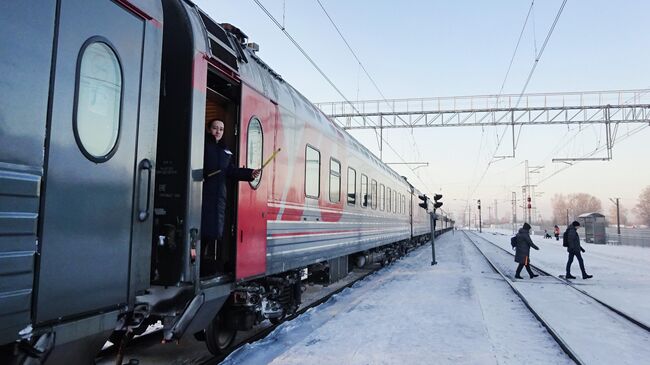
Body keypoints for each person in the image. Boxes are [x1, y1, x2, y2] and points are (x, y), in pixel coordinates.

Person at [201, 119, 260, 275]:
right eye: (215, 128)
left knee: (213, 231)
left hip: (219, 196)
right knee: (203, 230)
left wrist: (249, 173)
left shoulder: (225, 150)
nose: (218, 131)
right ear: (208, 129)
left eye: (221, 128)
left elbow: (230, 171)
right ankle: (197, 263)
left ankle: (206, 265)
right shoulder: (203, 145)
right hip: (203, 194)